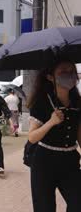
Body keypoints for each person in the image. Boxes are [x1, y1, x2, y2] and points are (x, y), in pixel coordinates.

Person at [27, 59, 80, 212]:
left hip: (70, 161)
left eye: (71, 72)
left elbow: (79, 134)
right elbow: (32, 137)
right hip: (44, 163)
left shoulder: (77, 102)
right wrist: (51, 122)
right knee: (45, 208)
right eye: (63, 72)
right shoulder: (41, 102)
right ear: (50, 77)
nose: (69, 75)